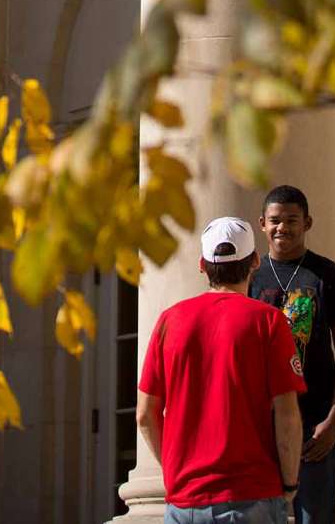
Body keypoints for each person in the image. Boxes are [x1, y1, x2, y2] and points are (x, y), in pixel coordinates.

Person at [137, 216, 306, 524]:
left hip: (185, 502)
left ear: (202, 264)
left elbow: (145, 415)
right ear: (255, 260)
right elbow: (287, 415)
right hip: (251, 493)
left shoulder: (169, 321)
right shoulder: (269, 321)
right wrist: (290, 482)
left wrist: (177, 471)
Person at [249, 185, 335, 524]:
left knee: (314, 517)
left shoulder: (330, 276)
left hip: (315, 426)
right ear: (261, 224)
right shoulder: (250, 277)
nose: (282, 227)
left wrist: (334, 420)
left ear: (308, 222)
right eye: (275, 220)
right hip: (262, 424)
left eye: (291, 220)